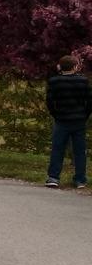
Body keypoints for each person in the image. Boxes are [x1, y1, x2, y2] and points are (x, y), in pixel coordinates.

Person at [46, 55, 90, 188]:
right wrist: (85, 114)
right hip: (79, 120)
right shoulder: (83, 81)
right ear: (75, 67)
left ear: (60, 67)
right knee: (79, 151)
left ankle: (53, 177)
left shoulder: (54, 81)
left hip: (61, 120)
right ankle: (80, 179)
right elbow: (89, 101)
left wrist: (55, 114)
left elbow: (49, 101)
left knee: (58, 148)